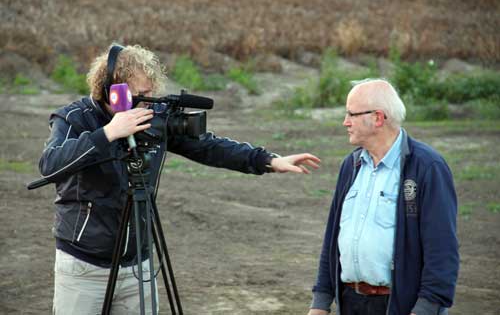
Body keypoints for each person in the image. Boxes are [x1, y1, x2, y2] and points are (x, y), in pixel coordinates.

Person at [38, 43, 321, 314]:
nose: (148, 101)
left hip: (137, 265)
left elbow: (209, 147)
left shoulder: (150, 115)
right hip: (84, 266)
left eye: (150, 92)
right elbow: (50, 165)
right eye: (140, 94)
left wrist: (267, 160)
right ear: (113, 92)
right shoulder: (74, 118)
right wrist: (108, 133)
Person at [307, 79, 459, 315]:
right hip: (350, 303)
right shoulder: (351, 165)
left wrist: (426, 308)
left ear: (378, 118)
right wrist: (321, 301)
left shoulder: (427, 167)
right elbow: (333, 237)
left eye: (351, 114)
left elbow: (442, 249)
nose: (345, 122)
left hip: (399, 306)